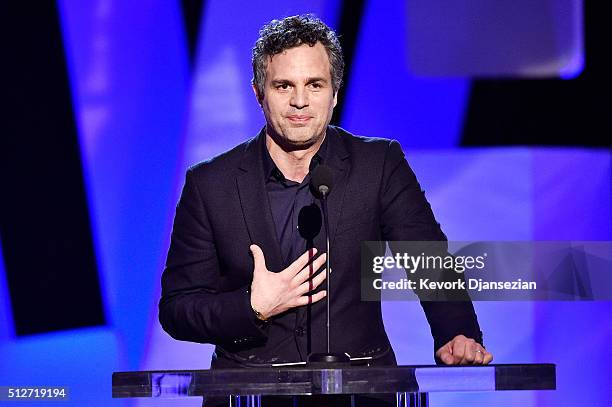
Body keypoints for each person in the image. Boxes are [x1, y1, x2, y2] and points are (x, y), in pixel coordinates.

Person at [159, 14, 492, 406]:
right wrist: (252, 307)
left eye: (314, 85)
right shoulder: (211, 183)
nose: (300, 101)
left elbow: (428, 259)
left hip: (361, 390)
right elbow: (178, 308)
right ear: (258, 93)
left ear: (334, 93)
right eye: (283, 85)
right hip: (251, 393)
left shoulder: (378, 163)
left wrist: (457, 332)